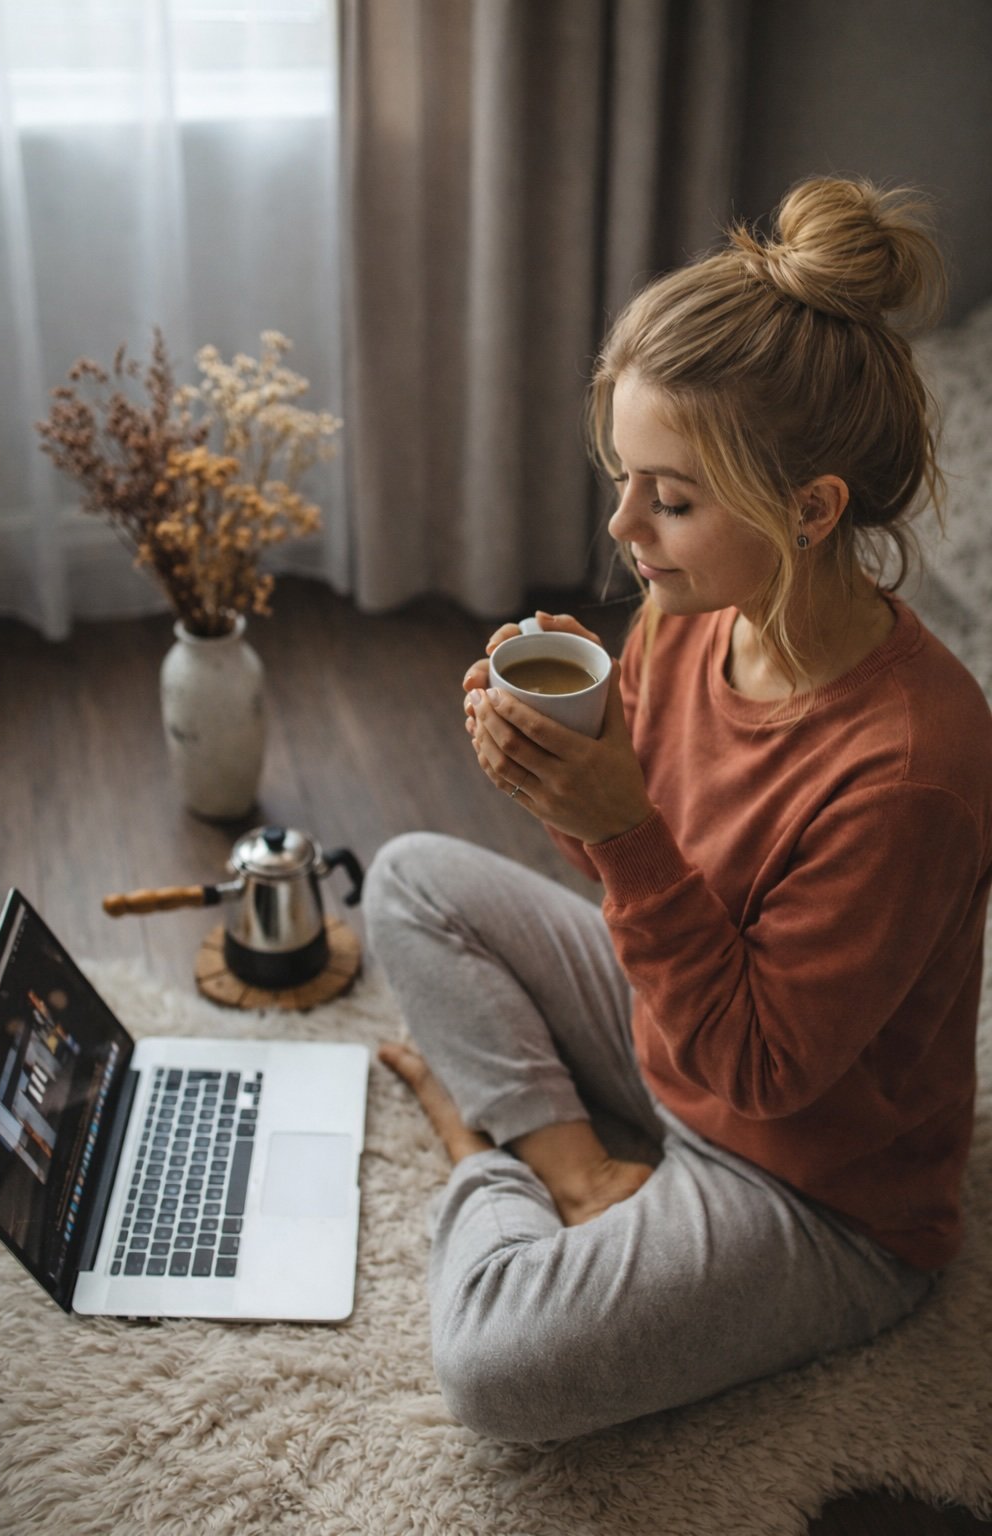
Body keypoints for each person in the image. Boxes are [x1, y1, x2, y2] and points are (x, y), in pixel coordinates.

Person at [363, 176, 992, 1443]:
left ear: (810, 510)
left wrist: (617, 825)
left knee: (496, 1372)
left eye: (672, 497)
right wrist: (562, 774)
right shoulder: (683, 619)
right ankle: (578, 1168)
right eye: (623, 479)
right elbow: (634, 893)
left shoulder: (913, 766)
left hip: (815, 1184)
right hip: (677, 1031)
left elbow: (758, 1072)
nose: (622, 527)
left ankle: (480, 1149)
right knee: (407, 881)